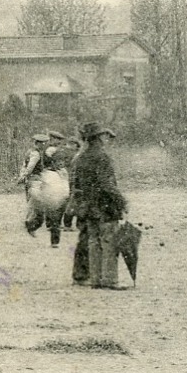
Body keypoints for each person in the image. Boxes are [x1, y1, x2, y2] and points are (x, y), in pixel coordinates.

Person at [71, 122, 128, 289]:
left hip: (88, 206)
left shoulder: (81, 157)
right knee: (109, 241)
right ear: (98, 138)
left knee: (93, 242)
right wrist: (122, 201)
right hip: (104, 205)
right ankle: (109, 280)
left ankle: (95, 279)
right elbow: (107, 184)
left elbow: (77, 183)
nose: (106, 138)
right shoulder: (102, 157)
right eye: (104, 135)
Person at [16, 132, 66, 248]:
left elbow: (25, 166)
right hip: (37, 180)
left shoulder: (35, 152)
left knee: (38, 203)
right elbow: (29, 167)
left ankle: (32, 223)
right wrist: (23, 176)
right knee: (39, 204)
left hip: (39, 179)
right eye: (43, 143)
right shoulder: (36, 154)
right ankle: (31, 223)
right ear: (39, 143)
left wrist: (22, 176)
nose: (45, 145)